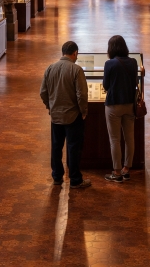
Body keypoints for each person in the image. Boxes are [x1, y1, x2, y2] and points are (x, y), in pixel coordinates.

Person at [40, 40, 91, 189]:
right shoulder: (76, 70)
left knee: (56, 146)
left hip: (56, 116)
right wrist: (83, 111)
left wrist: (50, 106)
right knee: (74, 147)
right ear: (75, 53)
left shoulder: (50, 68)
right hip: (73, 116)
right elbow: (81, 94)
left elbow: (43, 92)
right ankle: (75, 179)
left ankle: (57, 176)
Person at [102, 35, 138, 183]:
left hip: (113, 105)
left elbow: (105, 85)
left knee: (115, 139)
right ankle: (126, 169)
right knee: (129, 138)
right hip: (130, 104)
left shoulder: (109, 64)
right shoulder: (133, 62)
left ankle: (116, 172)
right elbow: (135, 81)